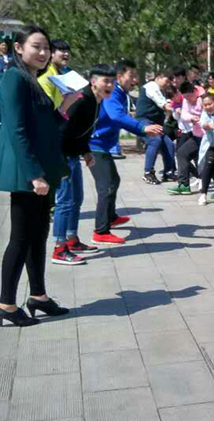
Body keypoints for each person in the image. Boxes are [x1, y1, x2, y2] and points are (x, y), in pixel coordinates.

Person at [0, 26, 69, 324]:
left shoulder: (33, 79)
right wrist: (34, 176)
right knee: (20, 238)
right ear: (18, 47)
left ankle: (38, 296)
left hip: (41, 169)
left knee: (38, 235)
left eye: (46, 48)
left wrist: (65, 106)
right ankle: (6, 304)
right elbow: (16, 129)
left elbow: (45, 125)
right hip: (27, 173)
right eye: (36, 47)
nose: (43, 53)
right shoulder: (14, 77)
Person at [88, 60, 163, 244]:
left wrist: (141, 130)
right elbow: (117, 116)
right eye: (132, 76)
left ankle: (111, 217)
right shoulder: (113, 92)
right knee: (106, 186)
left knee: (114, 180)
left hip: (102, 145)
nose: (135, 80)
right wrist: (142, 128)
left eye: (136, 76)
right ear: (119, 76)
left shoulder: (119, 92)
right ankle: (100, 231)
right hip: (94, 145)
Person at [52, 64, 117, 264]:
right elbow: (61, 129)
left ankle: (71, 239)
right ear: (93, 82)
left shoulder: (96, 101)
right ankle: (59, 248)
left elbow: (82, 131)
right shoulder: (81, 100)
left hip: (73, 154)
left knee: (77, 199)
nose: (110, 85)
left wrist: (85, 151)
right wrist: (60, 159)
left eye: (112, 82)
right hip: (62, 155)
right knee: (64, 202)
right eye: (106, 81)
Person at [137, 71, 175, 184]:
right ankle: (148, 173)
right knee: (155, 140)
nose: (167, 84)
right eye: (166, 81)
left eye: (169, 82)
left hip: (155, 123)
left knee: (168, 144)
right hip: (144, 121)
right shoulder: (151, 86)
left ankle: (168, 172)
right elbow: (162, 103)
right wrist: (180, 110)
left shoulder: (161, 90)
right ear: (158, 78)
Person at [168, 81, 204, 195]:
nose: (187, 99)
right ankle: (184, 185)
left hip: (207, 136)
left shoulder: (203, 99)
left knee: (207, 162)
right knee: (181, 153)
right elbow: (184, 115)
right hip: (196, 135)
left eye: (189, 96)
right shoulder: (185, 101)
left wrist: (202, 120)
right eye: (185, 97)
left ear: (194, 91)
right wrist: (191, 118)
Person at [38, 39, 71, 109]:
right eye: (62, 50)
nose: (67, 54)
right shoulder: (47, 76)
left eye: (68, 51)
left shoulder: (59, 74)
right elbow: (45, 107)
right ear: (51, 53)